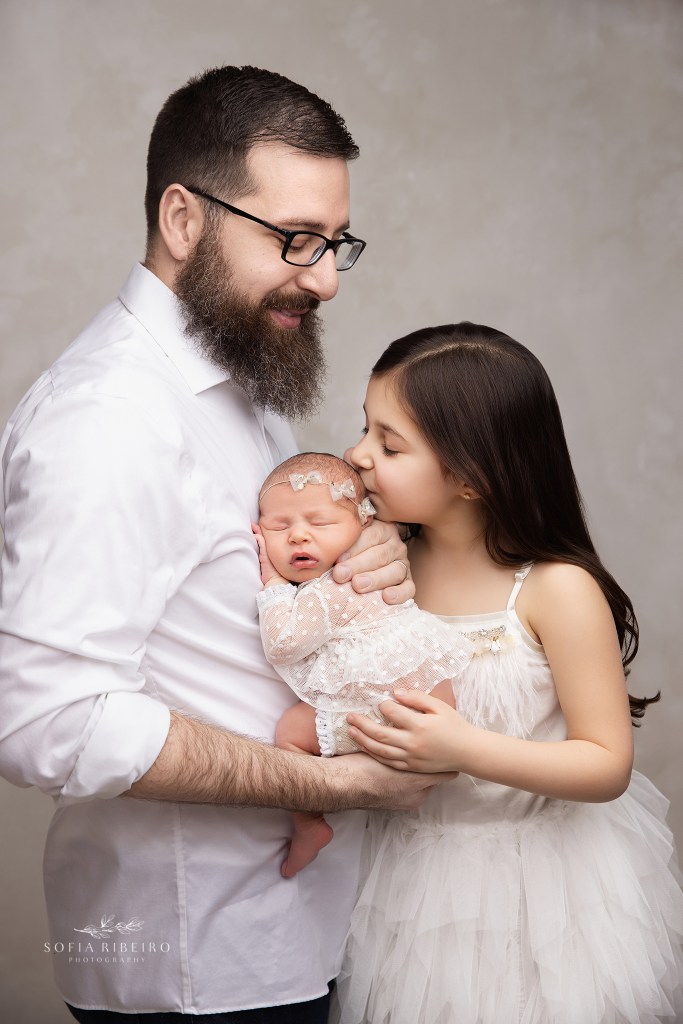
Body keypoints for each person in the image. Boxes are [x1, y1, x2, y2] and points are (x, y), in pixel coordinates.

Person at [0, 66, 447, 1023]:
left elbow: (241, 596)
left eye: (334, 244)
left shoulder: (239, 379)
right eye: (294, 240)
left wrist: (368, 558)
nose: (323, 277)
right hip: (198, 960)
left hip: (291, 935)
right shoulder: (107, 420)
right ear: (182, 218)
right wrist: (329, 777)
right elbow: (45, 720)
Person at [330, 323, 683, 1024]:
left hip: (537, 892)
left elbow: (605, 763)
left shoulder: (555, 590)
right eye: (363, 429)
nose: (356, 455)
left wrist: (463, 750)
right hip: (401, 877)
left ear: (471, 474)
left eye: (389, 444)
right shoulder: (381, 566)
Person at [253, 452, 473, 878]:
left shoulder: (334, 586)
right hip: (426, 696)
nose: (298, 536)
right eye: (279, 527)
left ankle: (307, 824)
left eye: (320, 524)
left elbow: (283, 643)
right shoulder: (363, 570)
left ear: (364, 526)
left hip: (394, 709)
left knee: (289, 734)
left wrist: (275, 585)